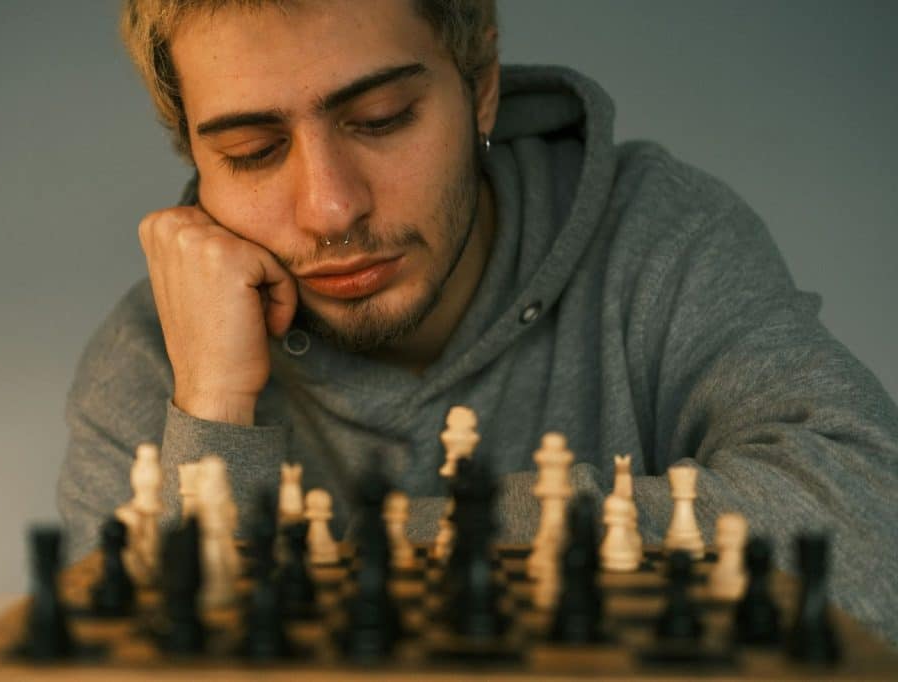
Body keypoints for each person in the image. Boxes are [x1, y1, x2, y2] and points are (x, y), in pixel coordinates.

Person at [58, 0, 898, 641]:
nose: (331, 207)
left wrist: (435, 539)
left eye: (382, 118)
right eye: (252, 152)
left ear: (481, 87)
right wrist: (211, 412)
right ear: (195, 160)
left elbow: (875, 541)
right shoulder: (153, 358)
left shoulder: (660, 236)